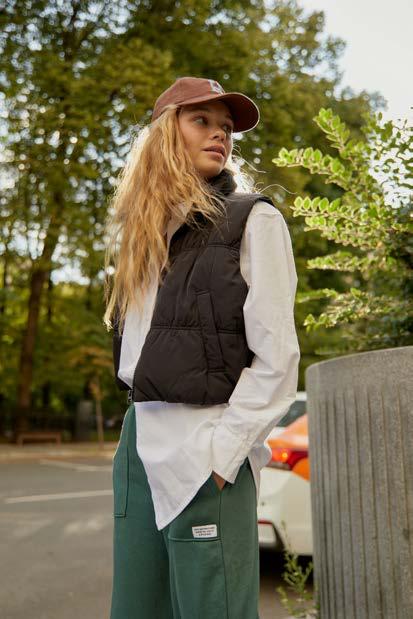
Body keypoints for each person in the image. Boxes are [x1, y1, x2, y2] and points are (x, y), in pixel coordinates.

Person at [103, 76, 300, 619]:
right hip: (139, 445)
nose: (220, 135)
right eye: (202, 121)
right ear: (166, 133)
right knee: (136, 610)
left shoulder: (253, 220)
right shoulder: (141, 237)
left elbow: (278, 358)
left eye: (227, 127)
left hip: (208, 447)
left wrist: (223, 455)